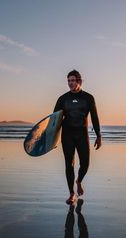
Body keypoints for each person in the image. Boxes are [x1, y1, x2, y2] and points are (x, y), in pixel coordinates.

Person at [53, 70, 102, 204]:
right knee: (69, 164)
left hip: (82, 135)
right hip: (67, 135)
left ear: (79, 81)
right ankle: (71, 194)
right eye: (69, 80)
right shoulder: (62, 99)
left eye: (73, 80)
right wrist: (51, 140)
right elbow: (55, 120)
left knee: (85, 164)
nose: (70, 83)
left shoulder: (88, 98)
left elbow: (95, 118)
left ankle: (79, 181)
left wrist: (99, 135)